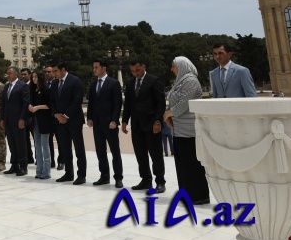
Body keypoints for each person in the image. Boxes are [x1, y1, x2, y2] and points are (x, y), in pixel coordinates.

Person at [163, 57, 210, 205]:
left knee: (192, 165)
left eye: (174, 66)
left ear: (182, 66)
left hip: (189, 131)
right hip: (179, 130)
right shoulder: (180, 81)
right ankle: (186, 194)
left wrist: (168, 114)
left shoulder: (190, 80)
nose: (172, 69)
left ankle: (199, 195)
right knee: (183, 165)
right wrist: (170, 114)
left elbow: (184, 103)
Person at [122, 58, 166, 194]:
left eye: (138, 70)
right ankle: (146, 180)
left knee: (156, 155)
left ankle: (160, 182)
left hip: (152, 125)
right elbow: (128, 104)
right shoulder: (129, 84)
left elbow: (161, 104)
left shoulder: (154, 81)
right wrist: (124, 121)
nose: (135, 73)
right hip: (136, 125)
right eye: (132, 71)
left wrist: (158, 121)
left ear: (144, 67)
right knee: (140, 155)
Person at [86, 59, 124, 188]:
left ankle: (118, 178)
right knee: (100, 151)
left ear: (104, 68)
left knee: (115, 152)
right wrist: (89, 118)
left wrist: (114, 120)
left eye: (96, 67)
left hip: (110, 124)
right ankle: (104, 176)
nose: (94, 69)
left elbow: (117, 103)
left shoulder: (113, 83)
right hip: (97, 124)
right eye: (94, 67)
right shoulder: (93, 85)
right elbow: (91, 103)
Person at [50, 62, 87, 184]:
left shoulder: (75, 81)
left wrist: (66, 115)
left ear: (63, 70)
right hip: (60, 122)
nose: (54, 74)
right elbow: (52, 101)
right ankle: (68, 173)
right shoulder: (54, 83)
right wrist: (56, 114)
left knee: (79, 149)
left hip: (74, 120)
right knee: (65, 149)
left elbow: (77, 100)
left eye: (56, 71)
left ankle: (81, 175)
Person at [0, 66, 30, 176]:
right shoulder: (6, 86)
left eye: (10, 73)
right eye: (7, 73)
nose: (8, 75)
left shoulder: (22, 86)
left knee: (20, 144)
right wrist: (3, 118)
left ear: (16, 74)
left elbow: (26, 103)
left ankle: (23, 166)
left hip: (18, 120)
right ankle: (14, 165)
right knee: (12, 144)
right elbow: (4, 104)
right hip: (8, 121)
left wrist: (22, 118)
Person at [28, 71, 53, 179]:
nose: (34, 79)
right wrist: (30, 106)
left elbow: (49, 105)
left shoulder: (46, 90)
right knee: (37, 146)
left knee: (45, 147)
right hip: (36, 121)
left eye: (35, 77)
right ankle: (39, 170)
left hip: (45, 121)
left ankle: (46, 172)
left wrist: (37, 107)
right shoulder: (33, 90)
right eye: (33, 77)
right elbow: (31, 102)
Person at [43, 64, 61, 170]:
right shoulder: (44, 85)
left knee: (60, 140)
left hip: (56, 116)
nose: (47, 74)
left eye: (49, 72)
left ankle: (61, 161)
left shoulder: (57, 83)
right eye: (46, 72)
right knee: (48, 141)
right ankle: (51, 161)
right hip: (46, 118)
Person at [21, 68, 35, 166]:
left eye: (25, 74)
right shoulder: (22, 86)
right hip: (25, 117)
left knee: (36, 138)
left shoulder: (33, 85)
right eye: (22, 74)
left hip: (33, 116)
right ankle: (29, 157)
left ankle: (39, 158)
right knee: (25, 139)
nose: (23, 76)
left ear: (29, 75)